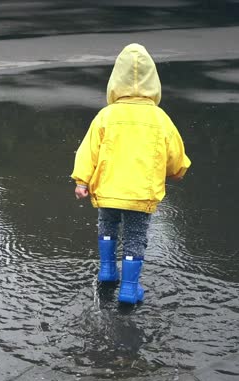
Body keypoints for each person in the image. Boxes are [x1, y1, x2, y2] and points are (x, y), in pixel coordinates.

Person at [71, 43, 191, 305]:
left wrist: (82, 181)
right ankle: (128, 288)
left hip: (109, 191)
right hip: (140, 193)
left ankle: (106, 271)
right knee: (135, 237)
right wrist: (176, 171)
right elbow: (174, 154)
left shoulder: (106, 115)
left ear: (115, 81)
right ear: (153, 82)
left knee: (107, 225)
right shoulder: (160, 118)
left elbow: (87, 151)